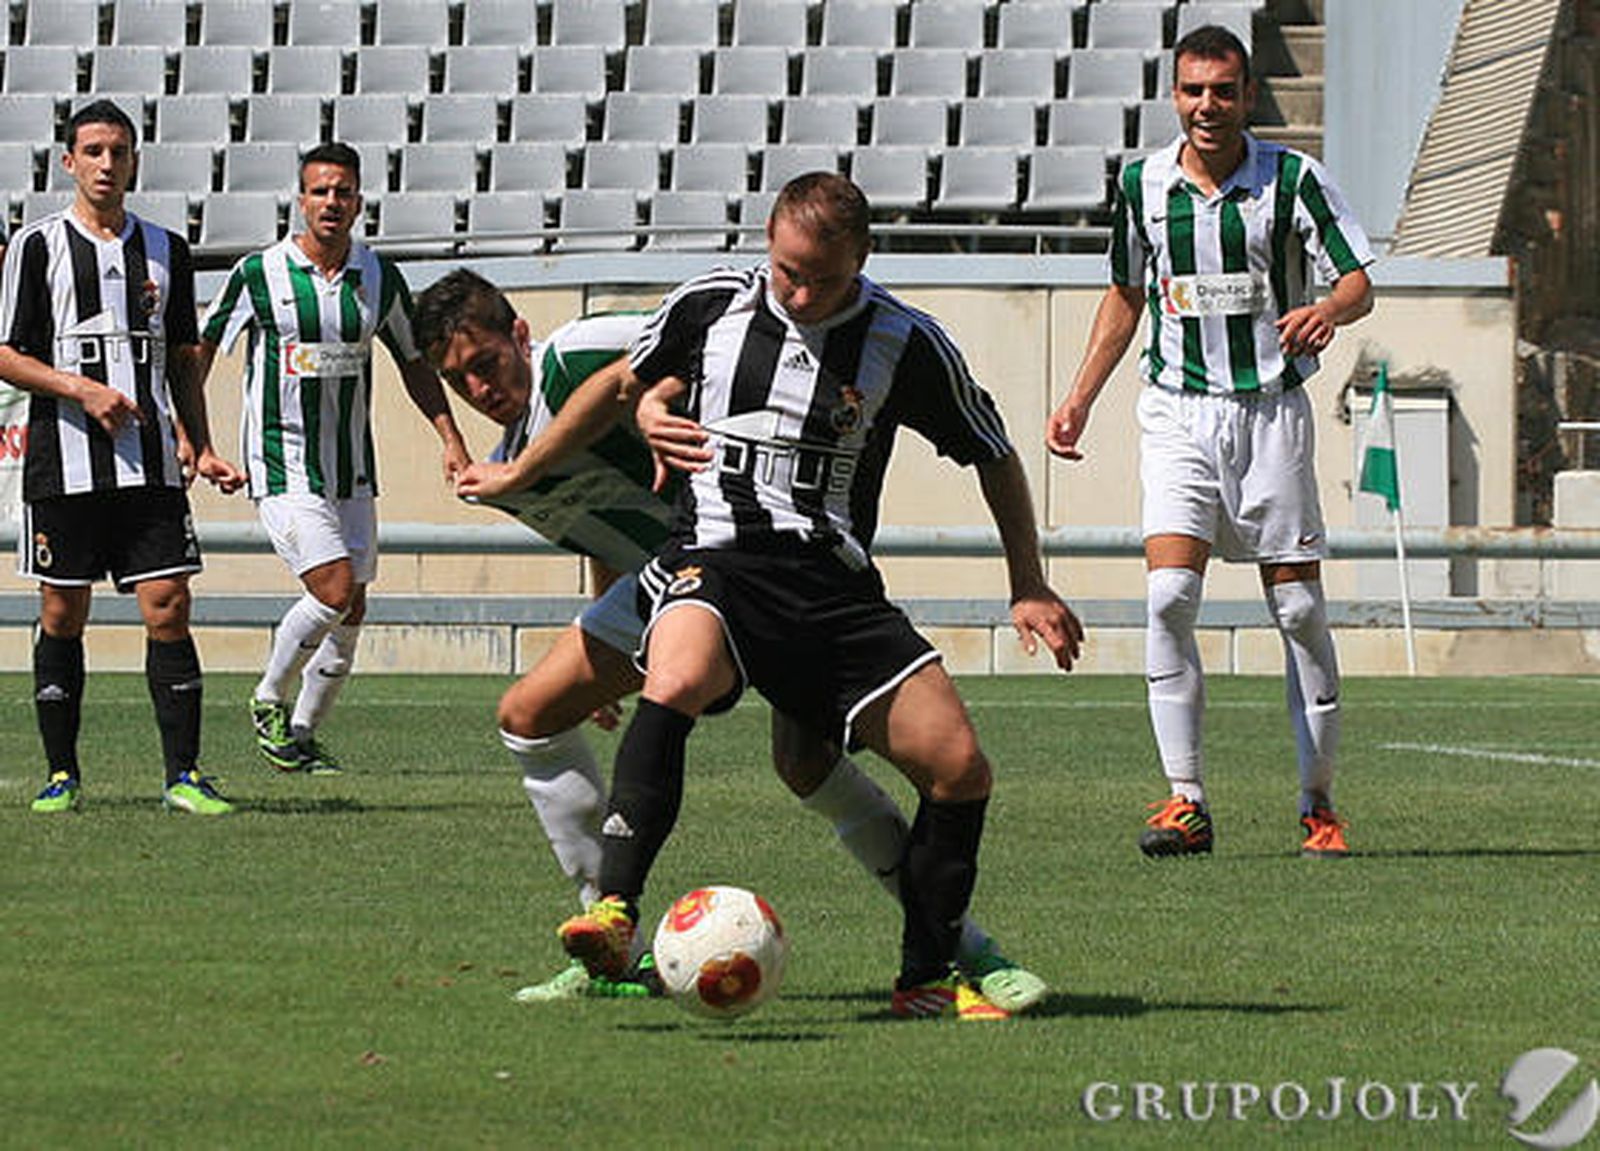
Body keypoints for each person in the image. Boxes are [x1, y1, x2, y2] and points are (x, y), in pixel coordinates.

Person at [411, 268, 1050, 1010]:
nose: (480, 388)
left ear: (520, 334)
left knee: (808, 762)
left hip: (771, 562)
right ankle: (608, 939)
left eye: (485, 363)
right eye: (460, 381)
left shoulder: (578, 353)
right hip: (673, 583)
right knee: (529, 714)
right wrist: (607, 627)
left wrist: (641, 403)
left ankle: (966, 949)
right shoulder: (512, 457)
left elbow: (682, 354)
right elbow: (612, 526)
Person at [554, 173, 1084, 1021]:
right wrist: (637, 414)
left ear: (862, 261)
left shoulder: (904, 342)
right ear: (767, 241)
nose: (797, 293)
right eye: (785, 270)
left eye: (821, 279)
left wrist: (1028, 581)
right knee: (676, 676)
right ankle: (614, 911)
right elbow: (633, 379)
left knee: (958, 766)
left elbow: (991, 449)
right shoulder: (711, 302)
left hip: (830, 588)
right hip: (716, 558)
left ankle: (926, 978)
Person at [1046, 26, 1374, 859]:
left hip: (1268, 412)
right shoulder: (1143, 185)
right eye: (1193, 90)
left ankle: (1318, 801)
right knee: (1168, 598)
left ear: (1247, 94)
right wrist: (1079, 397)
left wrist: (1326, 311)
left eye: (1222, 91)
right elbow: (1126, 294)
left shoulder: (1292, 180)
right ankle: (1185, 799)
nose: (1207, 106)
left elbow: (1358, 281)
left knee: (1297, 608)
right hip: (1176, 411)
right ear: (1175, 95)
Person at [0, 99, 246, 815]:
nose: (108, 164)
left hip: (151, 466)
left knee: (169, 606)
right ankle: (61, 774)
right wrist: (81, 389)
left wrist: (199, 442)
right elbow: (7, 354)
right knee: (61, 610)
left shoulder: (168, 248)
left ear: (134, 160)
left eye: (120, 151)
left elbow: (180, 358)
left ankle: (184, 775)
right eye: (94, 151)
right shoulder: (36, 247)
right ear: (69, 161)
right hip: (64, 459)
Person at [196, 142, 469, 774]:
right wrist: (197, 439)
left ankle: (301, 733)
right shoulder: (259, 273)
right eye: (320, 191)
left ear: (358, 202)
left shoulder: (377, 276)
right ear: (301, 199)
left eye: (342, 192)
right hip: (281, 460)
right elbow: (200, 353)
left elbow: (414, 364)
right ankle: (267, 696)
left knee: (355, 604)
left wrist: (451, 440)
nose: (331, 202)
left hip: (351, 468)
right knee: (334, 588)